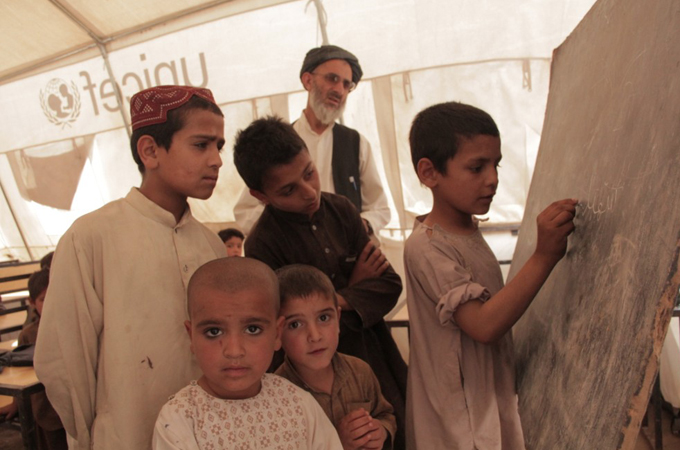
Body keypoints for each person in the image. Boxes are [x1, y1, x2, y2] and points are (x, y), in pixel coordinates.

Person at [34, 85, 228, 450]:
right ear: (150, 151)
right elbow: (63, 362)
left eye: (220, 146)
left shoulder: (211, 245)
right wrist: (100, 434)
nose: (217, 160)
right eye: (201, 145)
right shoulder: (91, 237)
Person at [403, 101, 577, 449]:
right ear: (429, 172)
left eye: (495, 165)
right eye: (476, 167)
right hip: (458, 423)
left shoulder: (467, 231)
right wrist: (544, 257)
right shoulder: (427, 247)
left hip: (485, 403)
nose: (493, 179)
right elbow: (483, 325)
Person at [233, 116, 407, 449]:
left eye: (309, 173)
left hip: (372, 356)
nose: (309, 192)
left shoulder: (343, 210)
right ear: (260, 195)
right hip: (309, 373)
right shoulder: (262, 244)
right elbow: (283, 318)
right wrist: (351, 289)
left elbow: (389, 284)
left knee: (387, 428)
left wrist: (334, 301)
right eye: (288, 190)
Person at [153, 257, 342, 449]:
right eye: (214, 331)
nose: (234, 351)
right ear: (191, 336)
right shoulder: (180, 420)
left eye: (252, 329)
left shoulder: (299, 404)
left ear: (277, 334)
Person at [233, 45, 390, 240]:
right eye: (332, 79)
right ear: (308, 80)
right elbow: (246, 211)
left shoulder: (356, 143)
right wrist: (287, 231)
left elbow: (379, 208)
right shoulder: (278, 141)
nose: (339, 90)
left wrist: (361, 225)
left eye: (346, 85)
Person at [275, 264, 396, 450]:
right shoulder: (277, 396)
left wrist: (381, 430)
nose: (315, 336)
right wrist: (335, 443)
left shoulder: (360, 371)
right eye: (295, 324)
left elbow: (385, 414)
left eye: (324, 318)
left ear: (338, 319)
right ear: (276, 332)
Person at [0, 268, 67, 450]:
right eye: (43, 299)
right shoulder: (28, 334)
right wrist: (16, 404)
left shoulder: (71, 327)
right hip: (44, 408)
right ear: (31, 302)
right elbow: (22, 372)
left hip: (68, 404)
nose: (51, 303)